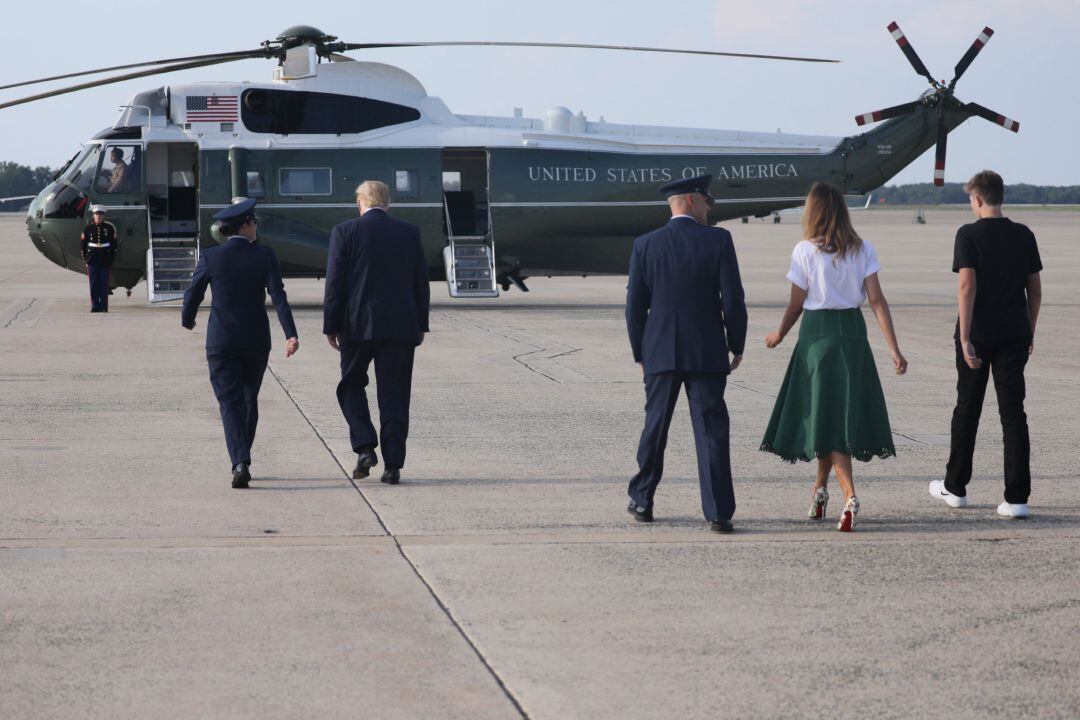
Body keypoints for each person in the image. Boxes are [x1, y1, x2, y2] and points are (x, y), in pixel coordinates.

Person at [760, 182, 907, 532]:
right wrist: (893, 349)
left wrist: (779, 333)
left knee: (827, 419)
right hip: (853, 337)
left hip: (816, 338)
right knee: (834, 417)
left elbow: (797, 303)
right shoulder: (863, 249)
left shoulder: (804, 251)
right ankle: (819, 491)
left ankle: (849, 495)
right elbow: (877, 301)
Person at [625, 174, 747, 533]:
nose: (710, 209)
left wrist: (640, 351)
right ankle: (718, 512)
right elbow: (733, 299)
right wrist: (735, 343)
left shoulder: (646, 244)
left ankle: (642, 500)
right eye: (707, 202)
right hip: (707, 350)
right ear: (693, 200)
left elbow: (635, 307)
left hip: (659, 351)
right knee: (711, 430)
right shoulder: (719, 241)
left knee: (655, 427)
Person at [930, 170, 1042, 519]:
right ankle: (1017, 498)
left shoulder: (968, 234)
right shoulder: (1023, 234)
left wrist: (964, 336)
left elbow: (967, 286)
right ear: (1001, 196)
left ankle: (956, 486)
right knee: (1013, 414)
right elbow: (1034, 290)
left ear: (977, 198)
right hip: (1014, 334)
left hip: (977, 334)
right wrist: (1029, 331)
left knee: (968, 408)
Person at [181, 198, 299, 488]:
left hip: (221, 341)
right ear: (245, 226)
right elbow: (278, 296)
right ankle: (242, 457)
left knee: (229, 402)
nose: (257, 225)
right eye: (254, 221)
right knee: (248, 399)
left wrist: (188, 319)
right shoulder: (265, 256)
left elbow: (193, 292)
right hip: (256, 341)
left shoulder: (211, 257)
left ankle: (240, 461)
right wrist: (290, 333)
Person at [323, 180, 430, 485]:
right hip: (400, 327)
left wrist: (331, 325)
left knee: (350, 386)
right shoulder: (409, 233)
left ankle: (365, 447)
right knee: (394, 396)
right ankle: (393, 465)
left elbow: (335, 283)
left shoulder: (345, 232)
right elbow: (419, 282)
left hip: (356, 327)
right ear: (388, 204)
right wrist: (420, 323)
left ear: (360, 203)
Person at [80, 205, 118, 313]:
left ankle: (104, 306)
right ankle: (95, 306)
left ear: (103, 216)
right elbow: (83, 246)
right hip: (92, 259)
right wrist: (85, 260)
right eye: (96, 215)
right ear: (93, 216)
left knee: (104, 284)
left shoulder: (109, 228)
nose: (98, 217)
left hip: (105, 259)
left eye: (100, 215)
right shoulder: (88, 229)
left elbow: (114, 246)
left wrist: (111, 259)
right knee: (93, 284)